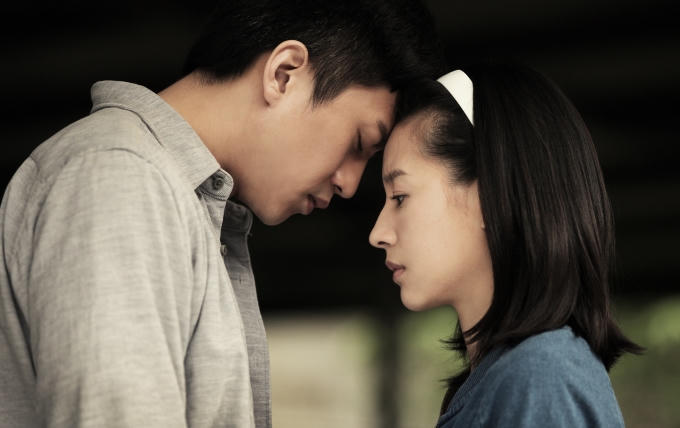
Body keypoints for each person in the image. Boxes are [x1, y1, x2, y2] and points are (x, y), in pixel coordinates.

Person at [0, 1, 444, 427]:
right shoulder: (120, 175)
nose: (350, 183)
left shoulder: (169, 192)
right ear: (284, 73)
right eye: (359, 143)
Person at [369, 63, 643, 427]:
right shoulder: (509, 379)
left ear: (490, 195)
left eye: (400, 197)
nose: (378, 233)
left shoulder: (540, 379)